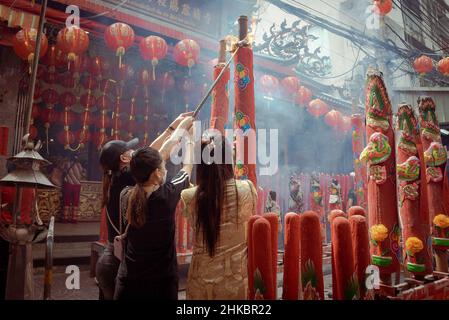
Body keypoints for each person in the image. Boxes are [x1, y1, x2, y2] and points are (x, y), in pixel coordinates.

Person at [95, 111, 193, 300]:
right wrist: (184, 132)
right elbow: (158, 155)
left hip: (113, 263)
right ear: (124, 159)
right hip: (118, 264)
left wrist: (173, 127)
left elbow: (151, 155)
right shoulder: (133, 182)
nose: (136, 150)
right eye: (131, 150)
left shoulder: (122, 182)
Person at [180, 135, 257, 300]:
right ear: (229, 159)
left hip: (199, 282)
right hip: (235, 281)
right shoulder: (247, 189)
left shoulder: (188, 196)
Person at [61, 156, 86, 223]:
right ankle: (74, 218)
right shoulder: (80, 165)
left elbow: (61, 169)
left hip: (68, 184)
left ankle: (65, 218)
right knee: (75, 202)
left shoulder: (66, 163)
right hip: (77, 185)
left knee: (67, 201)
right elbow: (83, 174)